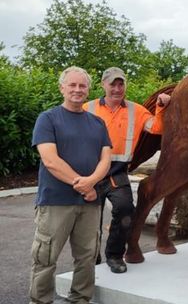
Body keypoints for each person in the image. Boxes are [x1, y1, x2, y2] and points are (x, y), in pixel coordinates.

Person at [30, 66, 112, 304]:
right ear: (62, 88)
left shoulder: (97, 123)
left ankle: (80, 299)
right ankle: (40, 301)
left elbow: (105, 159)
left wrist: (92, 182)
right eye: (72, 85)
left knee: (87, 257)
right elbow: (50, 161)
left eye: (82, 85)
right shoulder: (48, 119)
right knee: (45, 258)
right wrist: (85, 186)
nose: (77, 90)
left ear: (88, 90)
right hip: (55, 202)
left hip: (89, 204)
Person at [83, 67, 171, 274]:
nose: (117, 88)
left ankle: (114, 256)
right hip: (90, 172)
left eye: (120, 84)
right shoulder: (88, 108)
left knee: (125, 211)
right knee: (89, 218)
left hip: (117, 173)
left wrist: (161, 106)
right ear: (103, 85)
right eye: (112, 84)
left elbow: (157, 128)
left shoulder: (137, 110)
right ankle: (90, 257)